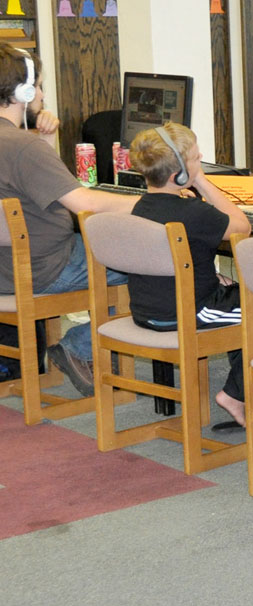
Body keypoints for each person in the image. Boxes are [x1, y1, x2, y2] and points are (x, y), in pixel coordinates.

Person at [0, 44, 137, 396]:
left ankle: (101, 355)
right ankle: (81, 346)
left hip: (5, 268)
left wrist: (46, 139)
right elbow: (84, 202)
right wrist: (147, 202)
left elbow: (32, 185)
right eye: (38, 87)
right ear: (21, 93)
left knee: (111, 250)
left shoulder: (23, 145)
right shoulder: (21, 146)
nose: (42, 95)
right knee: (148, 258)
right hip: (45, 268)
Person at [125, 122, 253, 426]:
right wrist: (203, 182)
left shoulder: (141, 208)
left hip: (147, 310)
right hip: (188, 312)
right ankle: (244, 397)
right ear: (178, 174)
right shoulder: (193, 212)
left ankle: (239, 388)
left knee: (238, 299)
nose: (201, 159)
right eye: (195, 158)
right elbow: (241, 226)